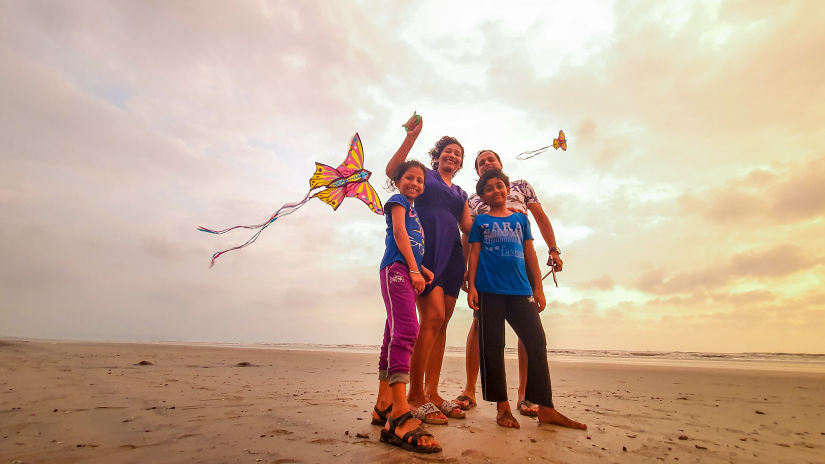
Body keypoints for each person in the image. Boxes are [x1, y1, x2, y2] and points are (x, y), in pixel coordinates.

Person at [466, 169, 586, 430]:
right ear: (483, 196)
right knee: (493, 347)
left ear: (507, 189)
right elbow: (474, 254)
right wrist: (472, 285)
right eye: (489, 188)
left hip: (521, 290)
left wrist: (538, 290)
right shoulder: (481, 221)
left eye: (500, 186)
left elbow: (529, 251)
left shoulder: (521, 220)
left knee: (536, 341)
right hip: (489, 290)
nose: (496, 191)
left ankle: (546, 407)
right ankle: (503, 407)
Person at [456, 149, 563, 416]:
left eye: (491, 159)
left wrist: (554, 249)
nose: (487, 164)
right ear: (477, 172)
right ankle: (470, 389)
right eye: (481, 163)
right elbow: (469, 238)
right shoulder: (473, 200)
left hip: (520, 261)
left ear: (501, 165)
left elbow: (540, 218)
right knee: (481, 327)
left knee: (528, 328)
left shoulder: (521, 187)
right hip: (488, 271)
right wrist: (463, 270)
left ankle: (525, 395)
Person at [385, 113, 472, 424]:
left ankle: (433, 393)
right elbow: (393, 170)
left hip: (453, 259)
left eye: (457, 154)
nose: (452, 155)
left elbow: (469, 227)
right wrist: (411, 137)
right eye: (447, 150)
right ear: (437, 157)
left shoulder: (461, 194)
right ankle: (416, 395)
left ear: (461, 164)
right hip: (426, 254)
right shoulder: (425, 177)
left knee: (443, 323)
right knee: (431, 318)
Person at [371, 160, 441, 453]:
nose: (415, 183)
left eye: (420, 180)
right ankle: (400, 412)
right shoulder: (397, 201)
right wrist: (413, 270)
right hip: (396, 269)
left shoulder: (415, 211)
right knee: (408, 330)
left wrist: (421, 268)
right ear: (398, 181)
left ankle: (383, 405)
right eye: (409, 178)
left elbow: (410, 242)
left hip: (406, 268)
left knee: (393, 333)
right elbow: (399, 234)